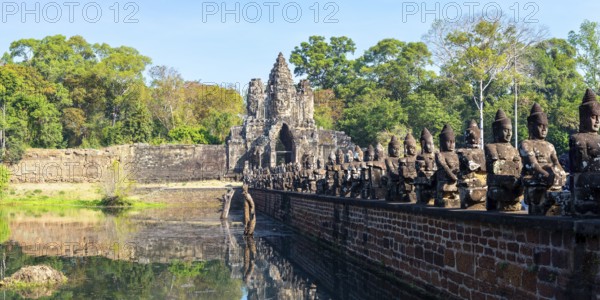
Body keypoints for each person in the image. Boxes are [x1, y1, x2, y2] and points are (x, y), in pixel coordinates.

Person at [485, 109, 523, 211]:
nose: (509, 134)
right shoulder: (491, 147)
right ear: (496, 130)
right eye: (505, 130)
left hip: (514, 185)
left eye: (510, 130)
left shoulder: (514, 150)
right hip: (498, 184)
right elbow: (495, 168)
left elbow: (520, 169)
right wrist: (513, 165)